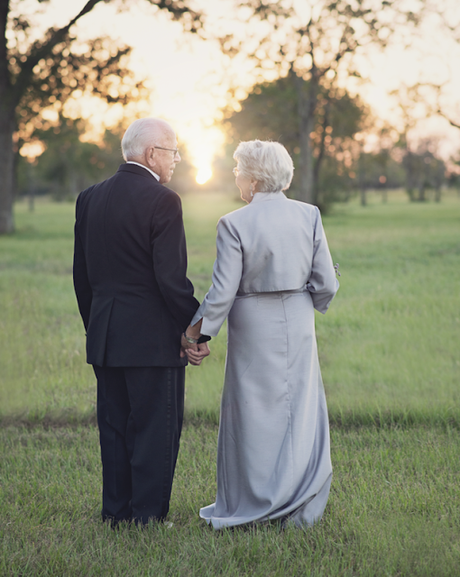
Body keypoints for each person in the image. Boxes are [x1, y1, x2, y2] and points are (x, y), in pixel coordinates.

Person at [181, 140, 339, 529]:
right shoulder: (310, 215)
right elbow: (327, 284)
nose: (236, 176)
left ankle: (254, 501)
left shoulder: (234, 222)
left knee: (252, 414)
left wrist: (196, 335)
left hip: (253, 322)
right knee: (298, 409)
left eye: (238, 170)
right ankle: (299, 498)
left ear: (253, 178)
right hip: (300, 322)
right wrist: (309, 299)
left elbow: (221, 293)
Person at [73, 117, 210, 526]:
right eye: (172, 152)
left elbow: (82, 276)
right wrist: (194, 331)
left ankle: (116, 513)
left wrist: (96, 326)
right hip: (152, 340)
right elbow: (171, 280)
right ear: (152, 153)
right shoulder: (163, 200)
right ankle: (147, 518)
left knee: (114, 429)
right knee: (155, 430)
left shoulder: (89, 197)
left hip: (106, 335)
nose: (176, 161)